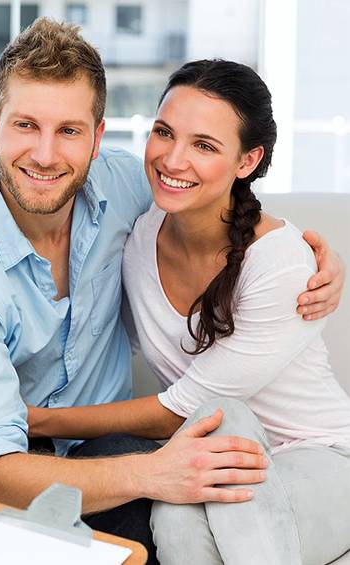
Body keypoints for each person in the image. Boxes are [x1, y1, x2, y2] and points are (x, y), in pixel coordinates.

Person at [0, 19, 345, 559]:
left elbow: (214, 193)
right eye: (26, 125)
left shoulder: (129, 187)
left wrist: (314, 256)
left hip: (102, 447)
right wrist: (153, 470)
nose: (46, 155)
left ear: (98, 138)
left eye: (69, 131)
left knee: (147, 512)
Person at [26, 59, 350, 564]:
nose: (173, 160)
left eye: (204, 145)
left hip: (318, 454)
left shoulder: (283, 264)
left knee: (222, 420)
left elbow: (182, 409)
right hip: (206, 452)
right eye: (163, 133)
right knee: (175, 515)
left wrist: (40, 422)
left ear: (247, 161)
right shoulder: (136, 234)